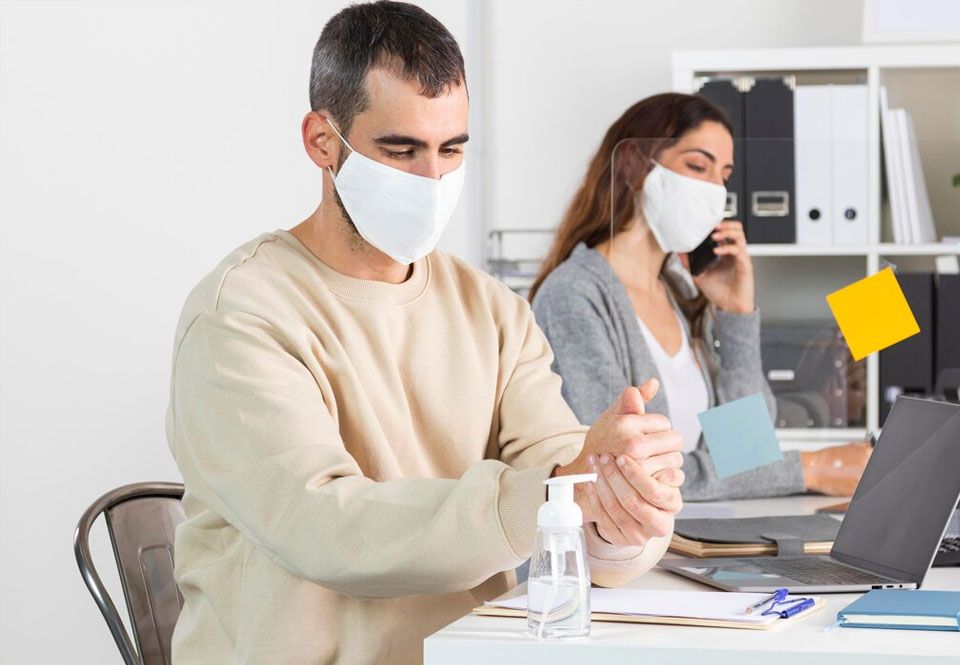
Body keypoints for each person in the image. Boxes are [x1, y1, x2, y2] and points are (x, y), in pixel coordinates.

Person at [166, 4, 685, 664]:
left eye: (451, 148)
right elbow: (324, 525)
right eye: (401, 149)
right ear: (322, 141)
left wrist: (621, 505)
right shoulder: (239, 314)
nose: (432, 179)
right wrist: (558, 493)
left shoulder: (493, 310)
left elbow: (562, 474)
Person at [529, 93, 872, 502]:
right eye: (697, 166)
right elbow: (628, 471)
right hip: (632, 556)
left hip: (702, 539)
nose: (715, 190)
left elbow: (748, 452)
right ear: (635, 164)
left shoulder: (681, 293)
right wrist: (812, 468)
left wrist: (736, 312)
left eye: (723, 175)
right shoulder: (574, 295)